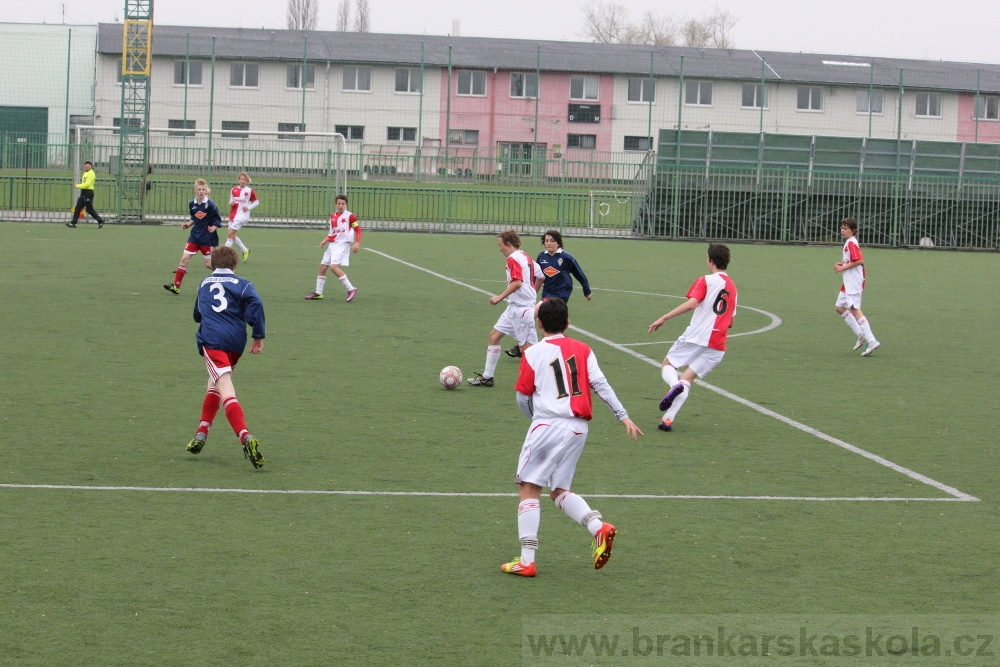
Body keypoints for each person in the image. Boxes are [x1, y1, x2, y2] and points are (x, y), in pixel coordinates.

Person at [500, 298, 643, 577]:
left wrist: (537, 421)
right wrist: (622, 415)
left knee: (529, 488)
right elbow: (600, 384)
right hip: (578, 428)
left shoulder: (532, 353)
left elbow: (522, 397)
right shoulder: (584, 349)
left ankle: (527, 560)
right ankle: (598, 527)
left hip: (548, 426)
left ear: (539, 324)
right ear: (567, 322)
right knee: (558, 490)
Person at [185, 246, 266, 469]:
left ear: (211, 263)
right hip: (235, 343)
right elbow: (256, 304)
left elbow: (196, 315)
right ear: (234, 265)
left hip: (213, 341)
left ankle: (245, 437)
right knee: (215, 382)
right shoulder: (243, 283)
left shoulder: (203, 284)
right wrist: (257, 334)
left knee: (225, 388)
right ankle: (201, 432)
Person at [647, 243, 737, 432]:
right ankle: (667, 420)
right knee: (687, 379)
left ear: (710, 261)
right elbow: (731, 322)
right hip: (718, 344)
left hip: (697, 336)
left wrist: (664, 317)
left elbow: (691, 303)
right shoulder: (733, 288)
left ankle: (674, 385)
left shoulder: (706, 280)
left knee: (668, 365)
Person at [468, 229, 543, 387]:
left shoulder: (513, 259)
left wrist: (499, 297)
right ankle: (488, 376)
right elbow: (541, 275)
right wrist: (532, 292)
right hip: (515, 307)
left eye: (500, 245)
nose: (499, 248)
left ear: (508, 244)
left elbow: (517, 282)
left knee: (527, 350)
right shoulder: (525, 256)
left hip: (521, 310)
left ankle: (546, 380)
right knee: (494, 336)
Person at [506, 230, 593, 358]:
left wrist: (587, 291)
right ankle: (551, 349)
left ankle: (524, 348)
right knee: (550, 322)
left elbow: (580, 275)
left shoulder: (566, 258)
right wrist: (530, 291)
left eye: (552, 241)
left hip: (561, 295)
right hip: (547, 293)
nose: (549, 243)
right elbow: (536, 276)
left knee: (529, 315)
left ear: (558, 243)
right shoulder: (542, 257)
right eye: (546, 241)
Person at [164, 179, 222, 295]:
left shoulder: (210, 205)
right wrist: (188, 224)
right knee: (184, 259)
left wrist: (214, 227)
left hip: (207, 238)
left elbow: (217, 219)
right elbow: (194, 218)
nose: (201, 192)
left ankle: (225, 276)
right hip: (194, 237)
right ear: (195, 190)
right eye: (199, 189)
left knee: (208, 264)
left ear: (207, 191)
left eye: (203, 190)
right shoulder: (192, 204)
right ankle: (176, 286)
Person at [834, 218, 880, 356]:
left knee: (854, 309)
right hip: (848, 281)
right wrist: (843, 264)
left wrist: (843, 268)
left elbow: (859, 260)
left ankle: (872, 341)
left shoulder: (852, 243)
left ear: (853, 231)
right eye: (842, 228)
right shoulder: (848, 243)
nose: (842, 230)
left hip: (854, 281)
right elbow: (851, 260)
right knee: (839, 307)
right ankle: (861, 334)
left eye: (846, 228)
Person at [304, 194, 361, 301]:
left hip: (342, 244)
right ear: (336, 204)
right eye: (339, 203)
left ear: (346, 204)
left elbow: (358, 229)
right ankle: (318, 293)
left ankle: (351, 289)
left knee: (333, 267)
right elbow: (332, 233)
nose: (340, 206)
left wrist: (357, 243)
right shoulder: (333, 216)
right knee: (322, 267)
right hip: (333, 244)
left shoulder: (350, 216)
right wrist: (325, 240)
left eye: (343, 204)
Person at [226, 171, 259, 262]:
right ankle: (245, 250)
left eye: (245, 179)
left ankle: (224, 255)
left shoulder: (249, 191)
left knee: (229, 234)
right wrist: (231, 203)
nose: (243, 181)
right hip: (233, 215)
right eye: (241, 179)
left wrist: (248, 207)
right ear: (238, 180)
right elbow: (231, 200)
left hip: (242, 216)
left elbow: (256, 202)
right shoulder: (233, 189)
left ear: (247, 181)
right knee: (232, 235)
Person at [66, 161, 106, 228]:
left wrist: (77, 186)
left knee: (89, 210)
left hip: (88, 192)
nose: (87, 166)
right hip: (83, 192)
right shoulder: (85, 173)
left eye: (88, 165)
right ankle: (73, 222)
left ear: (91, 166)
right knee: (78, 207)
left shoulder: (91, 174)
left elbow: (87, 184)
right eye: (86, 165)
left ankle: (100, 220)